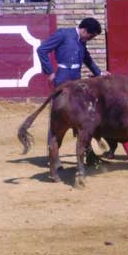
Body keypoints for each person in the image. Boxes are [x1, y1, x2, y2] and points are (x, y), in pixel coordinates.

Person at [37, 17, 109, 168]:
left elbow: (87, 59)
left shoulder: (81, 41)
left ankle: (89, 155)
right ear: (84, 30)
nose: (89, 39)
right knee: (58, 119)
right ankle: (54, 158)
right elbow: (41, 50)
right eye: (90, 36)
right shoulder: (63, 34)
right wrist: (49, 72)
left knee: (84, 118)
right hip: (62, 78)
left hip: (76, 80)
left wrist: (99, 73)